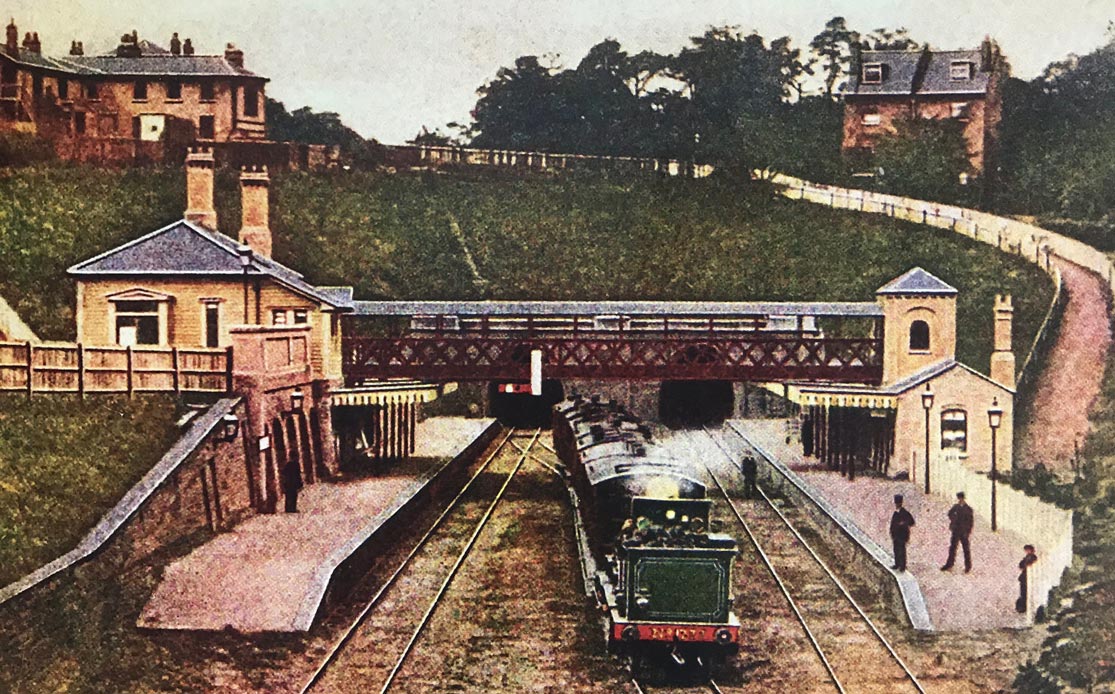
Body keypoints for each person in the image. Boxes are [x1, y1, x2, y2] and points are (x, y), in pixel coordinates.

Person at [941, 491, 974, 573]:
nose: (960, 500)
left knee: (966, 549)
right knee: (952, 548)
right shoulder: (956, 507)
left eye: (961, 498)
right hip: (956, 530)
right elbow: (949, 514)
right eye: (959, 498)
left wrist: (968, 531)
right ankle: (949, 564)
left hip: (964, 532)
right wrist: (953, 520)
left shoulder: (968, 509)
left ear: (963, 498)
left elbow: (970, 522)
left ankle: (968, 566)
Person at [889, 494, 915, 571]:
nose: (897, 505)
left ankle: (902, 566)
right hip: (896, 535)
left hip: (902, 535)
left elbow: (911, 522)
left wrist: (903, 523)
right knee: (896, 549)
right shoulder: (895, 513)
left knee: (902, 550)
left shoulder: (905, 513)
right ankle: (897, 564)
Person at [1016, 545, 1038, 613]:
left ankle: (1023, 607)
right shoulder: (1026, 557)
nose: (1027, 551)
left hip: (1027, 577)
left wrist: (1025, 564)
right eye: (1026, 550)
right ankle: (1022, 607)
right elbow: (1021, 565)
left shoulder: (1032, 557)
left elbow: (1027, 564)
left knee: (1025, 593)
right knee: (1023, 592)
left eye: (1028, 550)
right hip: (1024, 578)